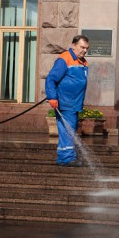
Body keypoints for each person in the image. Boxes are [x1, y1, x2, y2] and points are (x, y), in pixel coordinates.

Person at [45, 35, 89, 166]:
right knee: (67, 130)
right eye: (82, 47)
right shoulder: (64, 59)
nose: (85, 51)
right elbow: (51, 78)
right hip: (66, 102)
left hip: (74, 103)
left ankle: (65, 157)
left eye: (87, 48)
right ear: (73, 45)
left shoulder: (82, 61)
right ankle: (67, 158)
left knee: (69, 129)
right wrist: (52, 97)